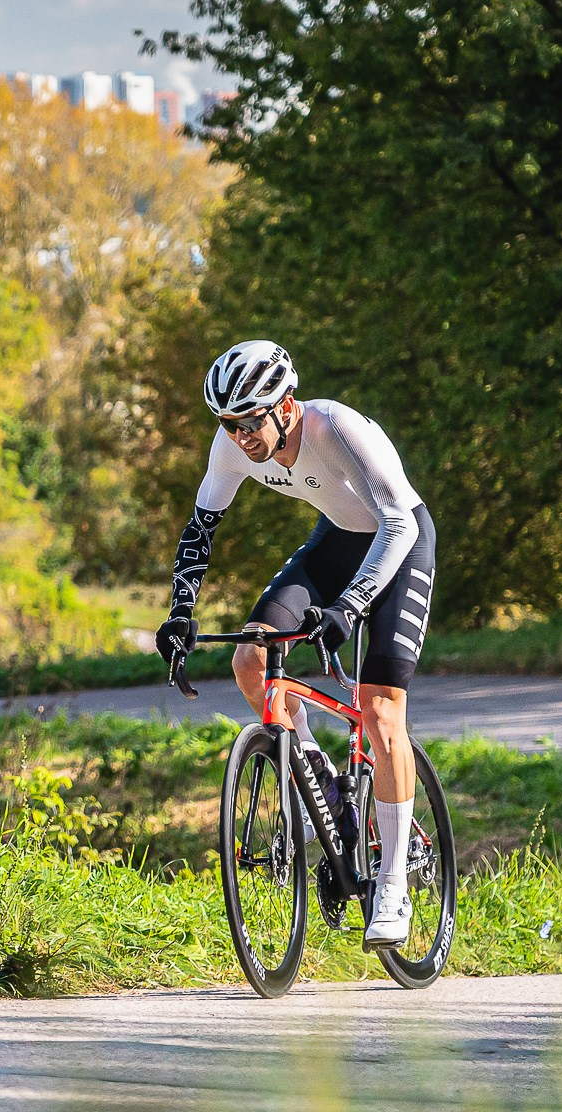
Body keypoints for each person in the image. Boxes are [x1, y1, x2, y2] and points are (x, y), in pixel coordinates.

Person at [155, 340, 437, 948]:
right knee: (251, 659)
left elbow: (400, 523)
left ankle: (392, 883)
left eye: (249, 422)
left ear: (284, 406)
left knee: (380, 707)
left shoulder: (337, 427)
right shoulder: (231, 444)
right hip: (336, 542)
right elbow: (200, 528)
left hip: (400, 543)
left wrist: (351, 606)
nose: (240, 439)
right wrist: (180, 613)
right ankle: (320, 774)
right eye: (227, 425)